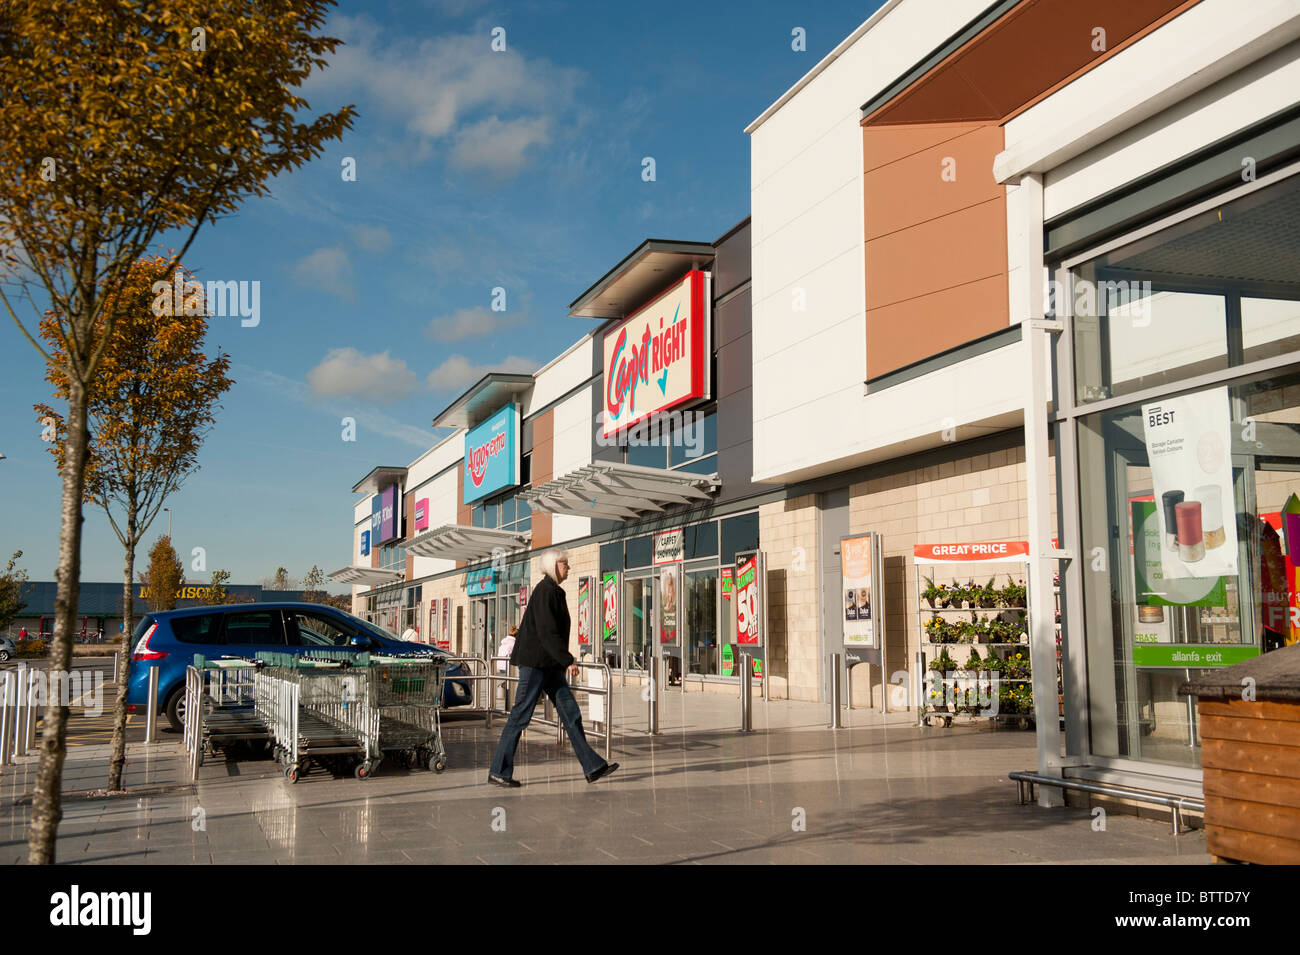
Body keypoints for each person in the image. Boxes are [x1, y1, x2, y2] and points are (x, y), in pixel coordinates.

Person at [488, 550, 618, 787]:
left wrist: (561, 660)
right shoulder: (546, 591)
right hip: (536, 664)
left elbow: (551, 634)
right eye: (564, 563)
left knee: (571, 714)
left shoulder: (552, 590)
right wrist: (567, 659)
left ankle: (593, 766)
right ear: (552, 566)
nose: (568, 567)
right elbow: (548, 633)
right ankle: (499, 770)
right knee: (520, 716)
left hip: (548, 665)